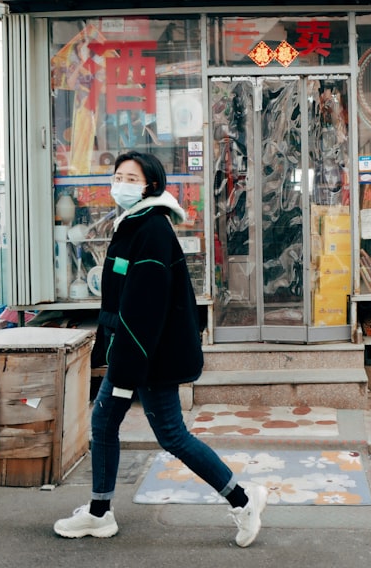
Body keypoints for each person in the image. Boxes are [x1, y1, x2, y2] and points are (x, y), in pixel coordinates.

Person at [54, 151, 268, 547]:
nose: (120, 183)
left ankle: (243, 499)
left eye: (130, 177)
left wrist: (125, 367)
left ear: (150, 185)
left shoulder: (151, 229)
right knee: (103, 426)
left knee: (171, 436)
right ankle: (99, 512)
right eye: (117, 175)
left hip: (146, 357)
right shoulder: (133, 224)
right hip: (136, 353)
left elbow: (145, 308)